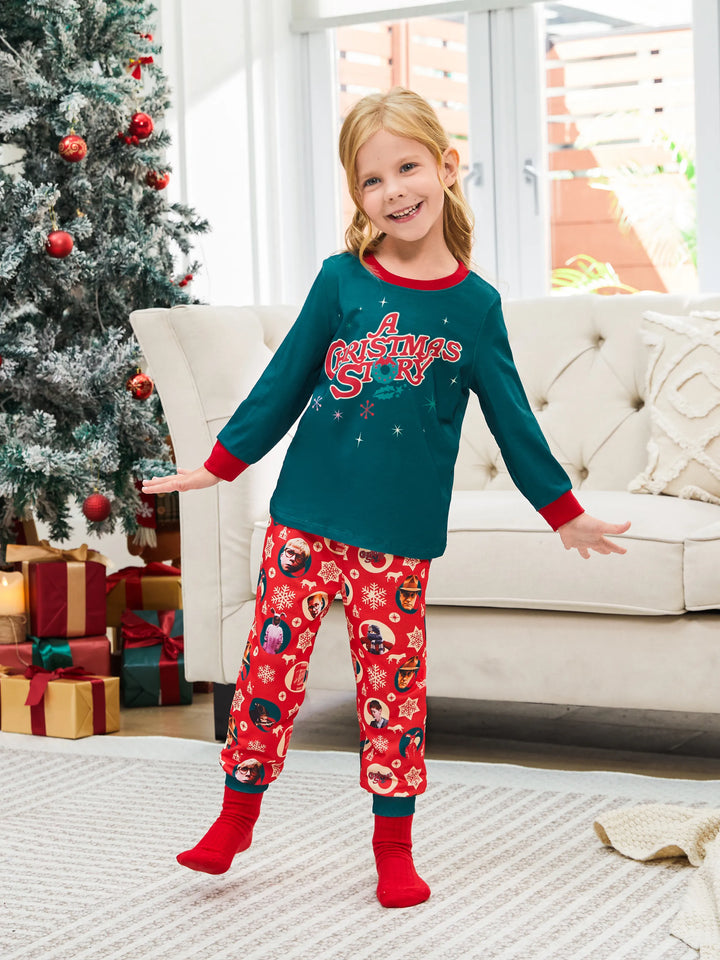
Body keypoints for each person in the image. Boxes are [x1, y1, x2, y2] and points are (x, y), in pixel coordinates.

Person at [142, 86, 631, 909]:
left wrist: (564, 512)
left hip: (396, 540)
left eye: (408, 168)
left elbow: (513, 421)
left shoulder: (476, 309)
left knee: (393, 694)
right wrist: (220, 465)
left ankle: (393, 849)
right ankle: (232, 823)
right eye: (372, 180)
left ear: (445, 167)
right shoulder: (340, 284)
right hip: (302, 522)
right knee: (268, 677)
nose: (394, 191)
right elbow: (283, 383)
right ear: (356, 195)